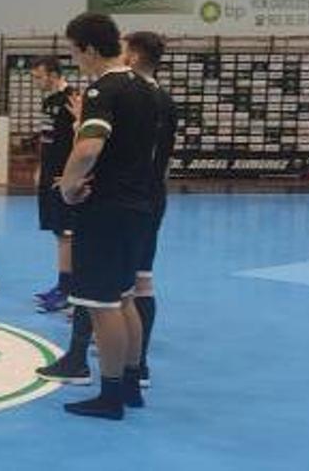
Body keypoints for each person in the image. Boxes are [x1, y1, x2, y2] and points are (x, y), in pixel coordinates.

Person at [54, 13, 162, 420]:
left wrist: (67, 187)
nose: (75, 59)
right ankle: (131, 384)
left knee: (102, 305)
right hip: (138, 205)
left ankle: (111, 394)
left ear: (90, 49)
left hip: (106, 209)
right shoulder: (147, 89)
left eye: (74, 51)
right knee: (124, 296)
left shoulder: (104, 90)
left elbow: (88, 149)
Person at [123, 31, 177, 388]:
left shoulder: (132, 97)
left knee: (121, 284)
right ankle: (138, 362)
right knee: (143, 280)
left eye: (126, 50)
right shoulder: (167, 100)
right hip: (154, 194)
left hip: (129, 198)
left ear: (136, 55)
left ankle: (126, 360)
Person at [30, 56, 79, 313]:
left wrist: (72, 174)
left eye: (39, 77)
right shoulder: (48, 101)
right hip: (50, 175)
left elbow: (79, 141)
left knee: (69, 233)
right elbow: (49, 140)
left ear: (53, 74)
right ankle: (63, 285)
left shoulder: (72, 99)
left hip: (65, 177)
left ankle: (69, 290)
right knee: (59, 232)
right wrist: (41, 167)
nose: (36, 82)